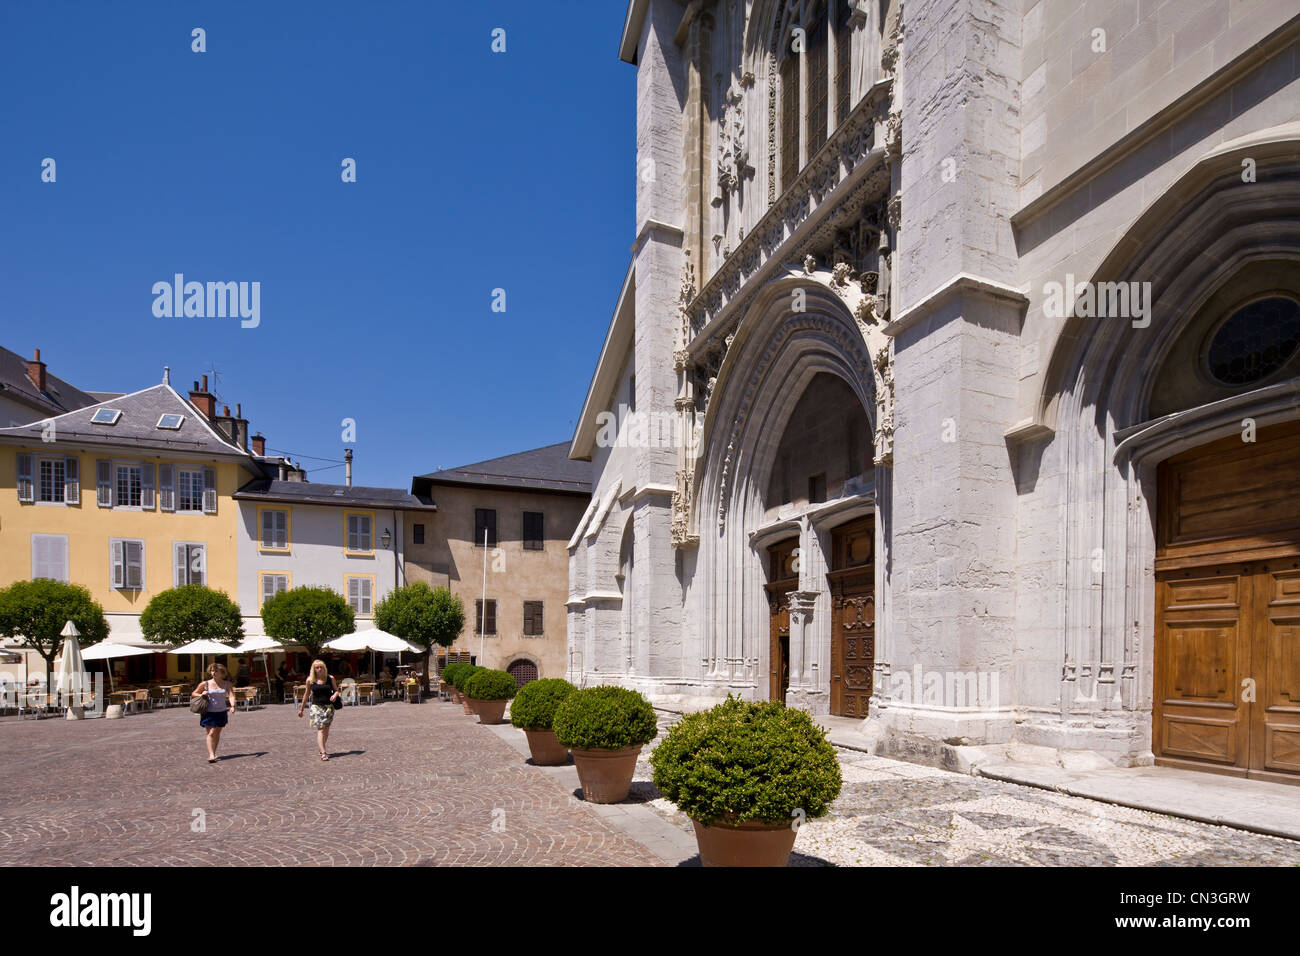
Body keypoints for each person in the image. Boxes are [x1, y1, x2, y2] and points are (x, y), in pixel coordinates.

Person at [297, 659, 342, 760]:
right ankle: (323, 753)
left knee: (326, 729)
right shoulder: (310, 680)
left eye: (321, 667)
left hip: (329, 707)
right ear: (313, 669)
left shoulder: (330, 678)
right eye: (317, 667)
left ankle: (321, 748)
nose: (319, 669)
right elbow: (306, 694)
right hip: (316, 707)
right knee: (321, 729)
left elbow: (336, 690)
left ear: (324, 668)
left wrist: (335, 695)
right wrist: (301, 709)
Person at [192, 663, 234, 763]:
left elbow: (231, 695)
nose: (213, 673)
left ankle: (213, 752)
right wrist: (201, 694)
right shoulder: (205, 684)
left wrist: (232, 706)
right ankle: (211, 755)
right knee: (211, 732)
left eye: (216, 671)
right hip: (208, 711)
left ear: (222, 672)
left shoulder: (227, 684)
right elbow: (194, 693)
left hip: (221, 711)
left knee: (217, 733)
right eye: (212, 671)